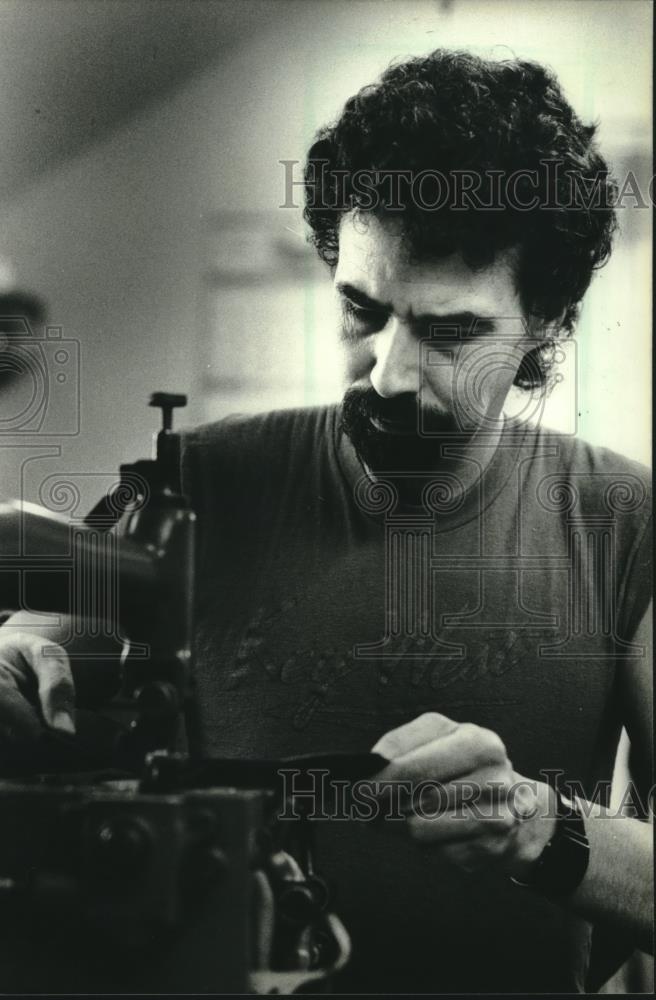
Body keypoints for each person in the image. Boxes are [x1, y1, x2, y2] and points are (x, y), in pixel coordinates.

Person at [0, 49, 652, 993]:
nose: (388, 373)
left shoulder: (624, 524)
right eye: (361, 311)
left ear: (547, 321)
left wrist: (540, 826)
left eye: (452, 332)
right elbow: (28, 647)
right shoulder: (199, 480)